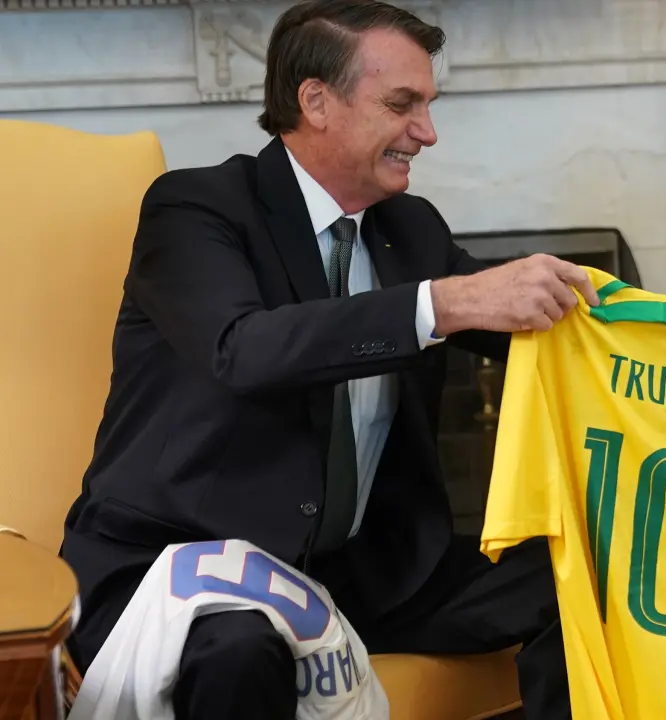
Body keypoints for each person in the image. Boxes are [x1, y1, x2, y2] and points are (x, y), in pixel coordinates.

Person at [58, 1, 594, 717]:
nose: (427, 132)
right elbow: (243, 350)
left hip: (362, 573)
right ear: (316, 101)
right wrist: (441, 305)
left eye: (428, 106)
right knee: (241, 649)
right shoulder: (195, 209)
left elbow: (546, 325)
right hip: (187, 567)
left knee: (586, 575)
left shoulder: (411, 228)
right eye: (401, 105)